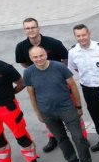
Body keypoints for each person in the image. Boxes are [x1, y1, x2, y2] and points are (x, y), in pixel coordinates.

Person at [23, 46, 96, 162]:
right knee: (61, 138)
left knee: (78, 137)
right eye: (35, 57)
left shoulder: (59, 67)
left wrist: (78, 106)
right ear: (31, 58)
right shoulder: (29, 72)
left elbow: (73, 86)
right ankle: (72, 161)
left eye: (41, 55)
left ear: (46, 54)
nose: (39, 59)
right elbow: (31, 94)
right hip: (47, 112)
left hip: (67, 109)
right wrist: (38, 113)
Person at [15, 17, 68, 153]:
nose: (31, 30)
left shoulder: (53, 43)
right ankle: (53, 137)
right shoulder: (21, 47)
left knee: (70, 111)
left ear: (39, 28)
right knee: (47, 112)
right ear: (24, 30)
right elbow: (23, 63)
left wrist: (60, 75)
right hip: (39, 87)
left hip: (59, 84)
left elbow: (65, 58)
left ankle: (81, 136)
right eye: (27, 28)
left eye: (33, 27)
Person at [67, 24, 99, 152]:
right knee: (97, 115)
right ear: (75, 36)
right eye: (78, 36)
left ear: (89, 34)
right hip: (88, 88)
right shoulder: (73, 52)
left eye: (84, 35)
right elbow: (73, 68)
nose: (82, 38)